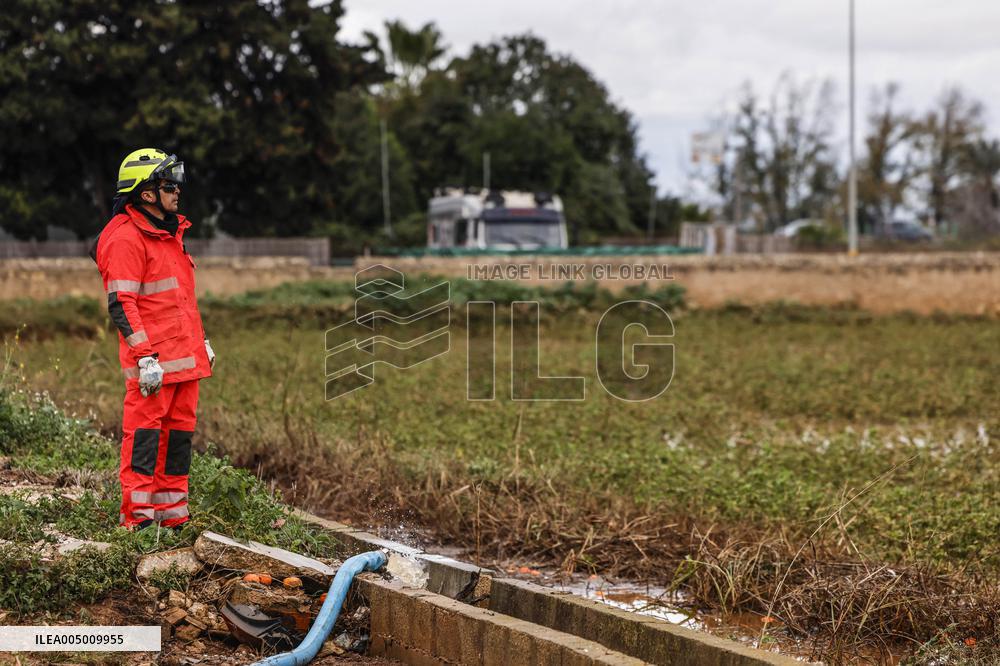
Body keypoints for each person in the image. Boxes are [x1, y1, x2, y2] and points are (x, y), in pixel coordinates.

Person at [91, 148, 215, 531]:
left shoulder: (170, 233)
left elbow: (179, 299)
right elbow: (122, 303)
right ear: (146, 193)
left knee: (177, 442)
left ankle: (172, 517)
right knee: (144, 441)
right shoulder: (125, 238)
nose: (177, 191)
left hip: (184, 362)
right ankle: (138, 521)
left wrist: (201, 341)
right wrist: (145, 357)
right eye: (168, 185)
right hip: (153, 366)